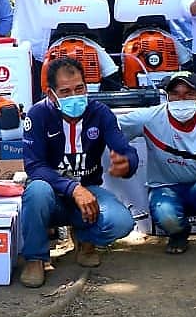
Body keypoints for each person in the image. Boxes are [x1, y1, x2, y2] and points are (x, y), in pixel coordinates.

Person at [18, 57, 139, 288]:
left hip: (89, 191)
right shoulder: (37, 115)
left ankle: (84, 238)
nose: (74, 97)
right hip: (51, 194)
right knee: (37, 191)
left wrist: (128, 163)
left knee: (121, 222)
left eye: (79, 88)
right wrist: (73, 188)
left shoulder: (100, 113)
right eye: (65, 91)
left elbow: (124, 149)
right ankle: (35, 257)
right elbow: (34, 166)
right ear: (50, 93)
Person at [117, 72, 196, 265]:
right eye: (175, 93)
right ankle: (179, 232)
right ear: (166, 96)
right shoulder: (149, 117)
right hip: (164, 188)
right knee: (166, 215)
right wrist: (122, 154)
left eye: (189, 94)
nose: (181, 99)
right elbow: (113, 129)